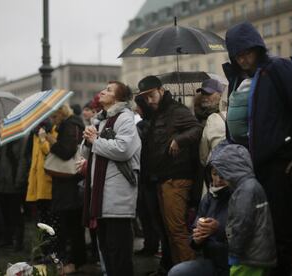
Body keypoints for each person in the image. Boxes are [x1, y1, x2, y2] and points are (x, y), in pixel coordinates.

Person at [223, 21, 292, 275]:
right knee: (260, 227)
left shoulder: (277, 68)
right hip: (252, 168)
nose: (242, 59)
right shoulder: (239, 79)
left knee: (281, 228)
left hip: (279, 164)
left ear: (257, 47)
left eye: (246, 52)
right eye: (237, 55)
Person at [137, 75, 202, 269]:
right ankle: (178, 270)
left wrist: (179, 140)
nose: (149, 100)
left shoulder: (176, 110)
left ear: (161, 90)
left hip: (176, 178)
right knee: (170, 232)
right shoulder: (158, 112)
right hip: (163, 179)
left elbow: (197, 129)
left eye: (152, 95)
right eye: (145, 97)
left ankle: (188, 271)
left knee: (177, 231)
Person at [82, 81, 141, 276]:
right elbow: (87, 153)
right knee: (106, 252)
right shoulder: (100, 120)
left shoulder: (125, 118)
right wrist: (88, 138)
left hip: (117, 198)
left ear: (118, 97)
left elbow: (123, 150)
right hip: (101, 198)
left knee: (119, 255)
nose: (102, 91)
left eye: (108, 90)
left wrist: (95, 141)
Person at [168, 143, 231, 276]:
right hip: (213, 261)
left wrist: (218, 229)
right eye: (214, 174)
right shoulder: (209, 198)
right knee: (177, 272)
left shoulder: (240, 197)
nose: (218, 180)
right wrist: (197, 238)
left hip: (233, 261)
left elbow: (245, 239)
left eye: (223, 175)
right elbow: (193, 238)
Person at [215, 144, 276, 276]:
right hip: (259, 254)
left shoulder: (245, 191)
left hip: (249, 258)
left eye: (223, 172)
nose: (221, 177)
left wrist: (234, 253)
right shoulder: (251, 185)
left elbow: (242, 224)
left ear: (231, 169)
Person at [48, 103, 87, 274]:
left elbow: (66, 152)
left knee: (71, 225)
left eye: (54, 117)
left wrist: (51, 141)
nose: (53, 121)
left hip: (69, 185)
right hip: (68, 184)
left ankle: (74, 261)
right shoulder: (71, 124)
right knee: (71, 224)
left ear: (61, 114)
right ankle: (74, 259)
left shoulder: (70, 125)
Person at [133, 94, 160, 257]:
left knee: (150, 214)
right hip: (146, 176)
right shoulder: (145, 123)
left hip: (150, 176)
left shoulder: (147, 125)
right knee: (145, 213)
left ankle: (152, 245)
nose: (136, 109)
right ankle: (150, 245)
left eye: (138, 106)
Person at [25, 121, 57, 253]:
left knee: (50, 219)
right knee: (41, 219)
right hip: (37, 183)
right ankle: (43, 249)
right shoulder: (35, 133)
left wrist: (43, 138)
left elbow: (49, 152)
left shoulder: (53, 131)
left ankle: (51, 250)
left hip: (48, 184)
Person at [0, 136, 29, 251]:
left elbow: (22, 161)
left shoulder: (22, 141)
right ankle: (8, 238)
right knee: (5, 213)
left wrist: (19, 181)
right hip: (3, 183)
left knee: (16, 214)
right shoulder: (5, 142)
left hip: (15, 182)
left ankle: (18, 241)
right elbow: (1, 161)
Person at [196, 79, 227, 166]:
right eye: (203, 93)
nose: (205, 97)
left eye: (209, 93)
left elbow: (203, 156)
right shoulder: (197, 115)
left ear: (220, 94)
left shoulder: (225, 114)